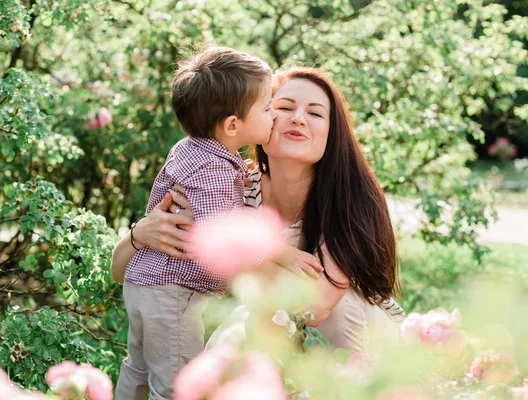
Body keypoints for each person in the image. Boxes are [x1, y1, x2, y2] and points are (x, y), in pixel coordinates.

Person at [112, 66, 404, 361]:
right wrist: (141, 233)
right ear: (253, 121)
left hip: (369, 340)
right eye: (282, 107)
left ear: (333, 134)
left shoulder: (347, 197)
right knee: (223, 348)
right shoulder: (226, 187)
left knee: (340, 308)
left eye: (314, 113)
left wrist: (238, 253)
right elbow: (120, 272)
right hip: (271, 319)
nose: (298, 118)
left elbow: (316, 307)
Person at [112, 46, 277, 400]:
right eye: (267, 108)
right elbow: (219, 237)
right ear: (233, 125)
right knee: (176, 385)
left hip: (145, 284)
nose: (274, 115)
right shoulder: (215, 171)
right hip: (173, 293)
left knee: (139, 367)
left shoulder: (193, 150)